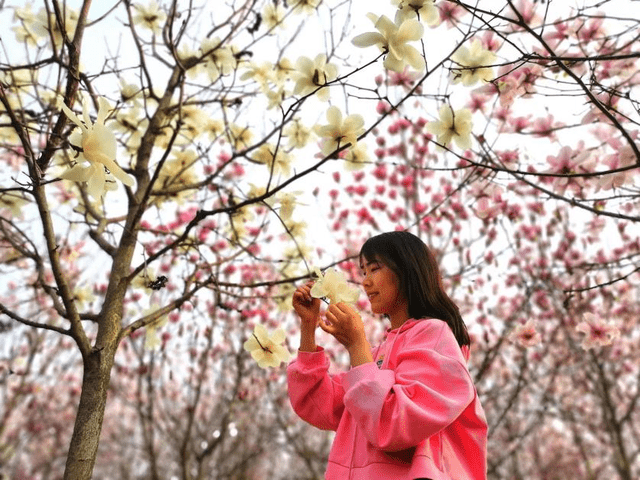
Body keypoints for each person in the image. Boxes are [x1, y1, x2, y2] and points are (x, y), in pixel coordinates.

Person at [287, 231, 488, 480]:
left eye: (375, 269)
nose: (365, 282)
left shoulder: (435, 335)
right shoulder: (376, 357)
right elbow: (318, 404)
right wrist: (308, 328)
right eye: (363, 272)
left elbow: (393, 424)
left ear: (406, 271)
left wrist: (357, 347)